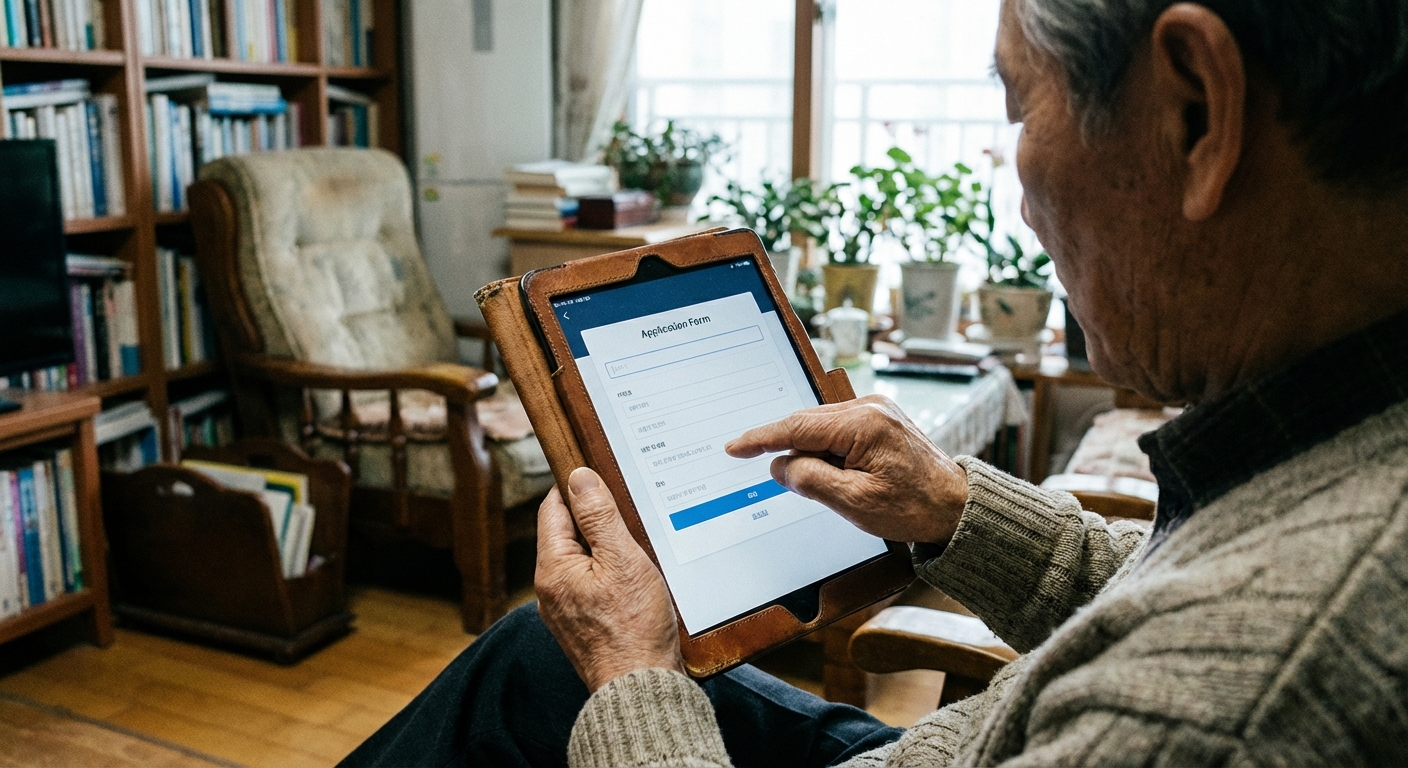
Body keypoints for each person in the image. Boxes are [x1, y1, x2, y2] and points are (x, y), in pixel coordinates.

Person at [344, 0, 1408, 764]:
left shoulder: (1221, 712)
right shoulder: (1340, 446)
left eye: (1014, 105)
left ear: (1195, 114)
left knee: (573, 671)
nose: (1023, 196)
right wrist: (953, 509)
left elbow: (1204, 656)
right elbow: (1169, 600)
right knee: (534, 653)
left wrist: (636, 685)